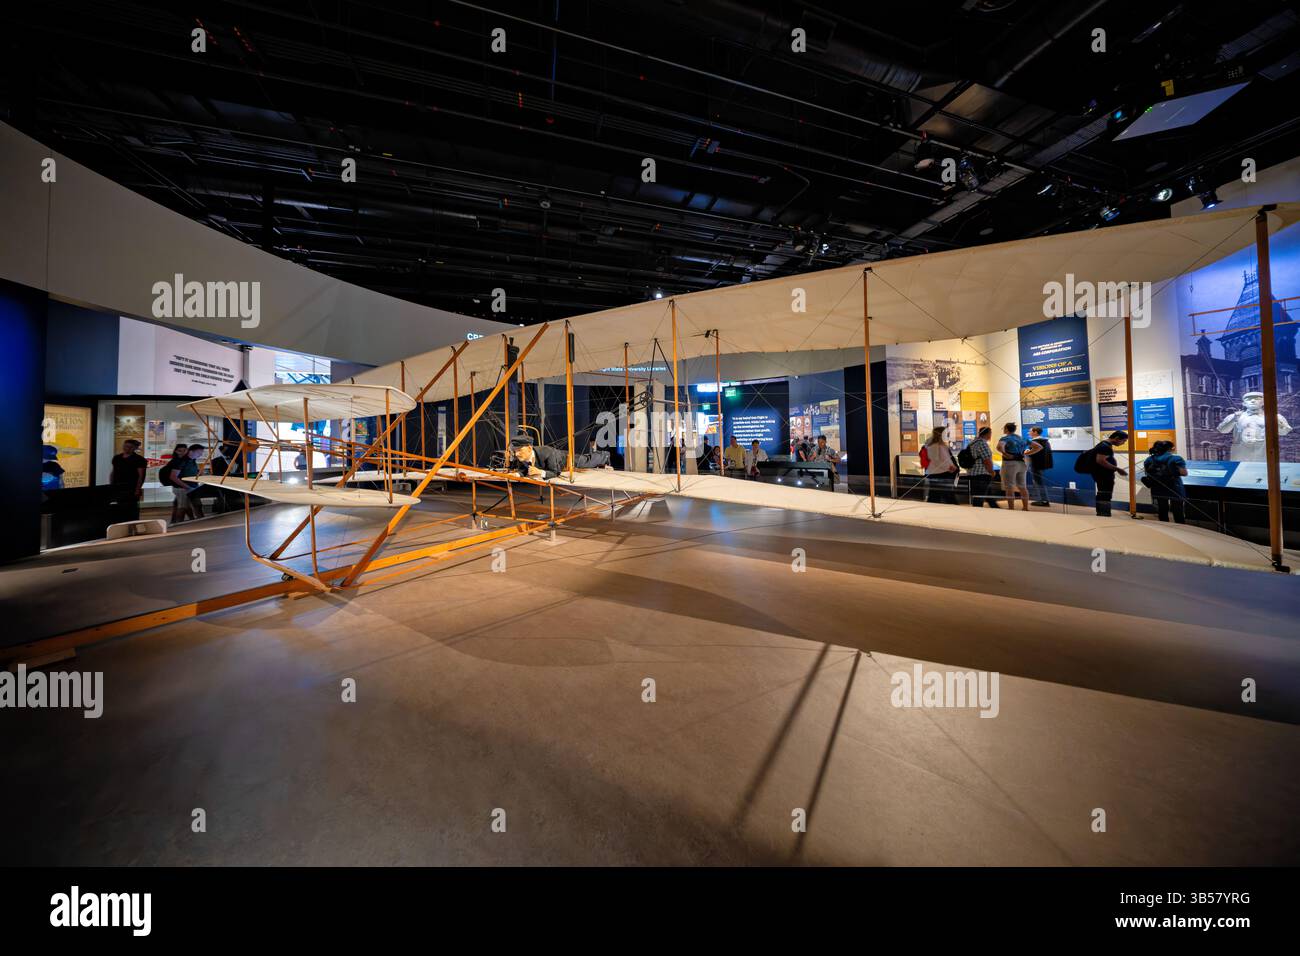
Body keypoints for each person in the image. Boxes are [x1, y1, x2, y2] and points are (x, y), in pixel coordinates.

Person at [1142, 439, 1188, 524]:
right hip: (1174, 487)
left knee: (1162, 510)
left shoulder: (1149, 459)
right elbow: (1184, 473)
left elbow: (1148, 473)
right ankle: (1181, 529)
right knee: (1178, 510)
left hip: (1158, 487)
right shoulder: (1176, 458)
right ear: (1169, 448)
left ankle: (1165, 528)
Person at [1088, 430, 1129, 517]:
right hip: (1103, 476)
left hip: (1102, 475)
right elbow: (1100, 461)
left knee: (1103, 494)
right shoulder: (1104, 447)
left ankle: (1103, 513)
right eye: (1124, 441)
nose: (1124, 443)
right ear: (1117, 438)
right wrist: (1118, 469)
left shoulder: (1104, 445)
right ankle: (1103, 514)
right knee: (1104, 494)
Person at [109, 438, 148, 521]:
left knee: (132, 508)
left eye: (130, 447)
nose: (127, 448)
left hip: (131, 487)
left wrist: (138, 489)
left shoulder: (139, 460)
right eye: (126, 446)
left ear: (134, 448)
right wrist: (111, 485)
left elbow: (141, 476)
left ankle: (132, 524)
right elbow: (113, 472)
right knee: (120, 507)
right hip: (118, 486)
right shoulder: (117, 458)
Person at [996, 422, 1031, 511]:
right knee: (1022, 486)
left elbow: (999, 447)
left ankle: (1011, 508)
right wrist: (1027, 453)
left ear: (1007, 429)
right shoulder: (1022, 438)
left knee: (1009, 487)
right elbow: (1038, 447)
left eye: (1004, 428)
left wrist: (1005, 453)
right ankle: (1025, 507)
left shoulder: (1005, 438)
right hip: (1021, 463)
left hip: (1009, 464)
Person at [922, 426, 958, 504]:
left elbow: (946, 458)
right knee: (945, 495)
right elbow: (936, 460)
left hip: (942, 472)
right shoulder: (933, 445)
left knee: (936, 495)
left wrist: (952, 466)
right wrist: (949, 467)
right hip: (938, 473)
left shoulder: (941, 445)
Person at [966, 426, 998, 507]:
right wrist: (991, 471)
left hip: (972, 473)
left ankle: (995, 508)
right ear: (987, 434)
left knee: (986, 495)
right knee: (979, 499)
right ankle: (979, 513)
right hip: (981, 474)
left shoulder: (972, 443)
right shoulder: (982, 443)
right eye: (990, 433)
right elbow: (986, 460)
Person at [1027, 426, 1053, 507]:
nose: (1028, 432)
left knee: (1038, 483)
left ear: (1035, 432)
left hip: (1036, 465)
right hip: (1042, 465)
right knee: (1039, 482)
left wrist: (1027, 452)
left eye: (1030, 431)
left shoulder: (1035, 442)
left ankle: (1044, 501)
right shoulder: (1045, 441)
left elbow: (1033, 454)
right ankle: (1043, 499)